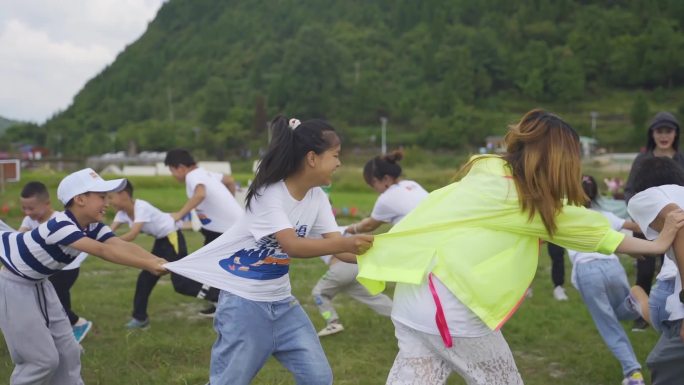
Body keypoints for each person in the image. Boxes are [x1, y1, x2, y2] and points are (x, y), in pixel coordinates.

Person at [355, 109, 684, 385]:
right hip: (452, 311)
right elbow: (584, 229)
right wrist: (658, 244)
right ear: (558, 159)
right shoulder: (524, 199)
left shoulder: (487, 174)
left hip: (414, 300)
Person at [166, 116, 374, 385]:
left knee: (319, 378)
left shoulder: (317, 197)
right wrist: (344, 243)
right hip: (243, 307)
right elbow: (293, 245)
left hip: (283, 305)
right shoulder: (269, 194)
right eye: (335, 155)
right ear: (312, 158)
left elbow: (340, 249)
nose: (339, 163)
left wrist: (384, 251)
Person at [0, 168, 167, 385]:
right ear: (80, 199)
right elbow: (102, 251)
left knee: (69, 352)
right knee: (41, 361)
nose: (107, 202)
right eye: (101, 197)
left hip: (40, 283)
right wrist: (147, 265)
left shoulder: (92, 226)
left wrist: (159, 261)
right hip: (14, 286)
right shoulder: (60, 225)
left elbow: (118, 244)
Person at [313, 150, 425, 337]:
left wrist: (351, 230)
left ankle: (332, 321)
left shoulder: (387, 198)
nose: (375, 189)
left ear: (385, 179)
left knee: (318, 293)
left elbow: (370, 224)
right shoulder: (411, 185)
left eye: (373, 184)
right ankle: (407, 320)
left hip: (347, 265)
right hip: (430, 243)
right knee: (376, 298)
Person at [567, 175, 648, 385]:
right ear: (596, 192)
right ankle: (636, 302)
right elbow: (635, 227)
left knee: (608, 324)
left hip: (588, 271)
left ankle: (633, 374)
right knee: (622, 310)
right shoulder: (604, 215)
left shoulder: (566, 217)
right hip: (613, 267)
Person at [108, 180, 210, 329]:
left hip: (172, 238)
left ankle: (218, 296)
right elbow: (109, 233)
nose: (108, 202)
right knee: (145, 279)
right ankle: (140, 318)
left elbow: (132, 234)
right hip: (161, 242)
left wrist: (105, 243)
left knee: (182, 283)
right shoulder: (122, 213)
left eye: (110, 197)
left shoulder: (141, 207)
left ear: (123, 195)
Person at [164, 148, 244, 316]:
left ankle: (223, 302)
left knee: (206, 268)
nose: (173, 175)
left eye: (171, 171)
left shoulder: (193, 176)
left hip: (225, 231)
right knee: (217, 268)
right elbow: (229, 180)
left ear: (180, 167)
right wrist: (226, 203)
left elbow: (200, 194)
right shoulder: (205, 173)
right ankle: (221, 302)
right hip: (223, 229)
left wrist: (179, 214)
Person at [626, 156, 684, 384]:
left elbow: (678, 221)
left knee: (665, 365)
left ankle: (636, 295)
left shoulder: (644, 196)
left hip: (670, 291)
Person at [624, 111, 683, 331]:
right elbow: (631, 188)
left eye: (669, 131)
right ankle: (643, 314)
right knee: (646, 269)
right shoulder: (643, 159)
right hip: (648, 221)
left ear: (676, 134)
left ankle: (671, 310)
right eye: (660, 131)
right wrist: (639, 216)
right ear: (653, 134)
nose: (664, 135)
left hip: (677, 221)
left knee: (671, 267)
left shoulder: (681, 159)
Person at [17, 181, 93, 343]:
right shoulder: (29, 220)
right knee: (57, 300)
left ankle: (79, 323)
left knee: (53, 301)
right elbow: (19, 239)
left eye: (31, 208)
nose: (27, 212)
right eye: (24, 208)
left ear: (47, 204)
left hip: (67, 268)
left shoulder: (59, 220)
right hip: (49, 268)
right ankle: (64, 336)